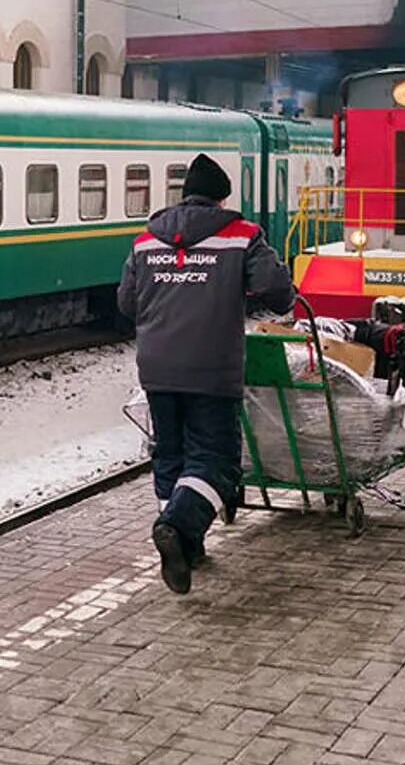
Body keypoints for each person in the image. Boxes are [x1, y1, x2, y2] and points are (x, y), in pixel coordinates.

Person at [117, 153, 295, 595]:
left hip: (157, 369)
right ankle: (176, 527)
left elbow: (127, 303)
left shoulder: (145, 241)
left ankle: (187, 546)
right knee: (216, 463)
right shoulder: (241, 235)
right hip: (211, 369)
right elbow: (277, 290)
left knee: (171, 456)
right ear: (221, 198)